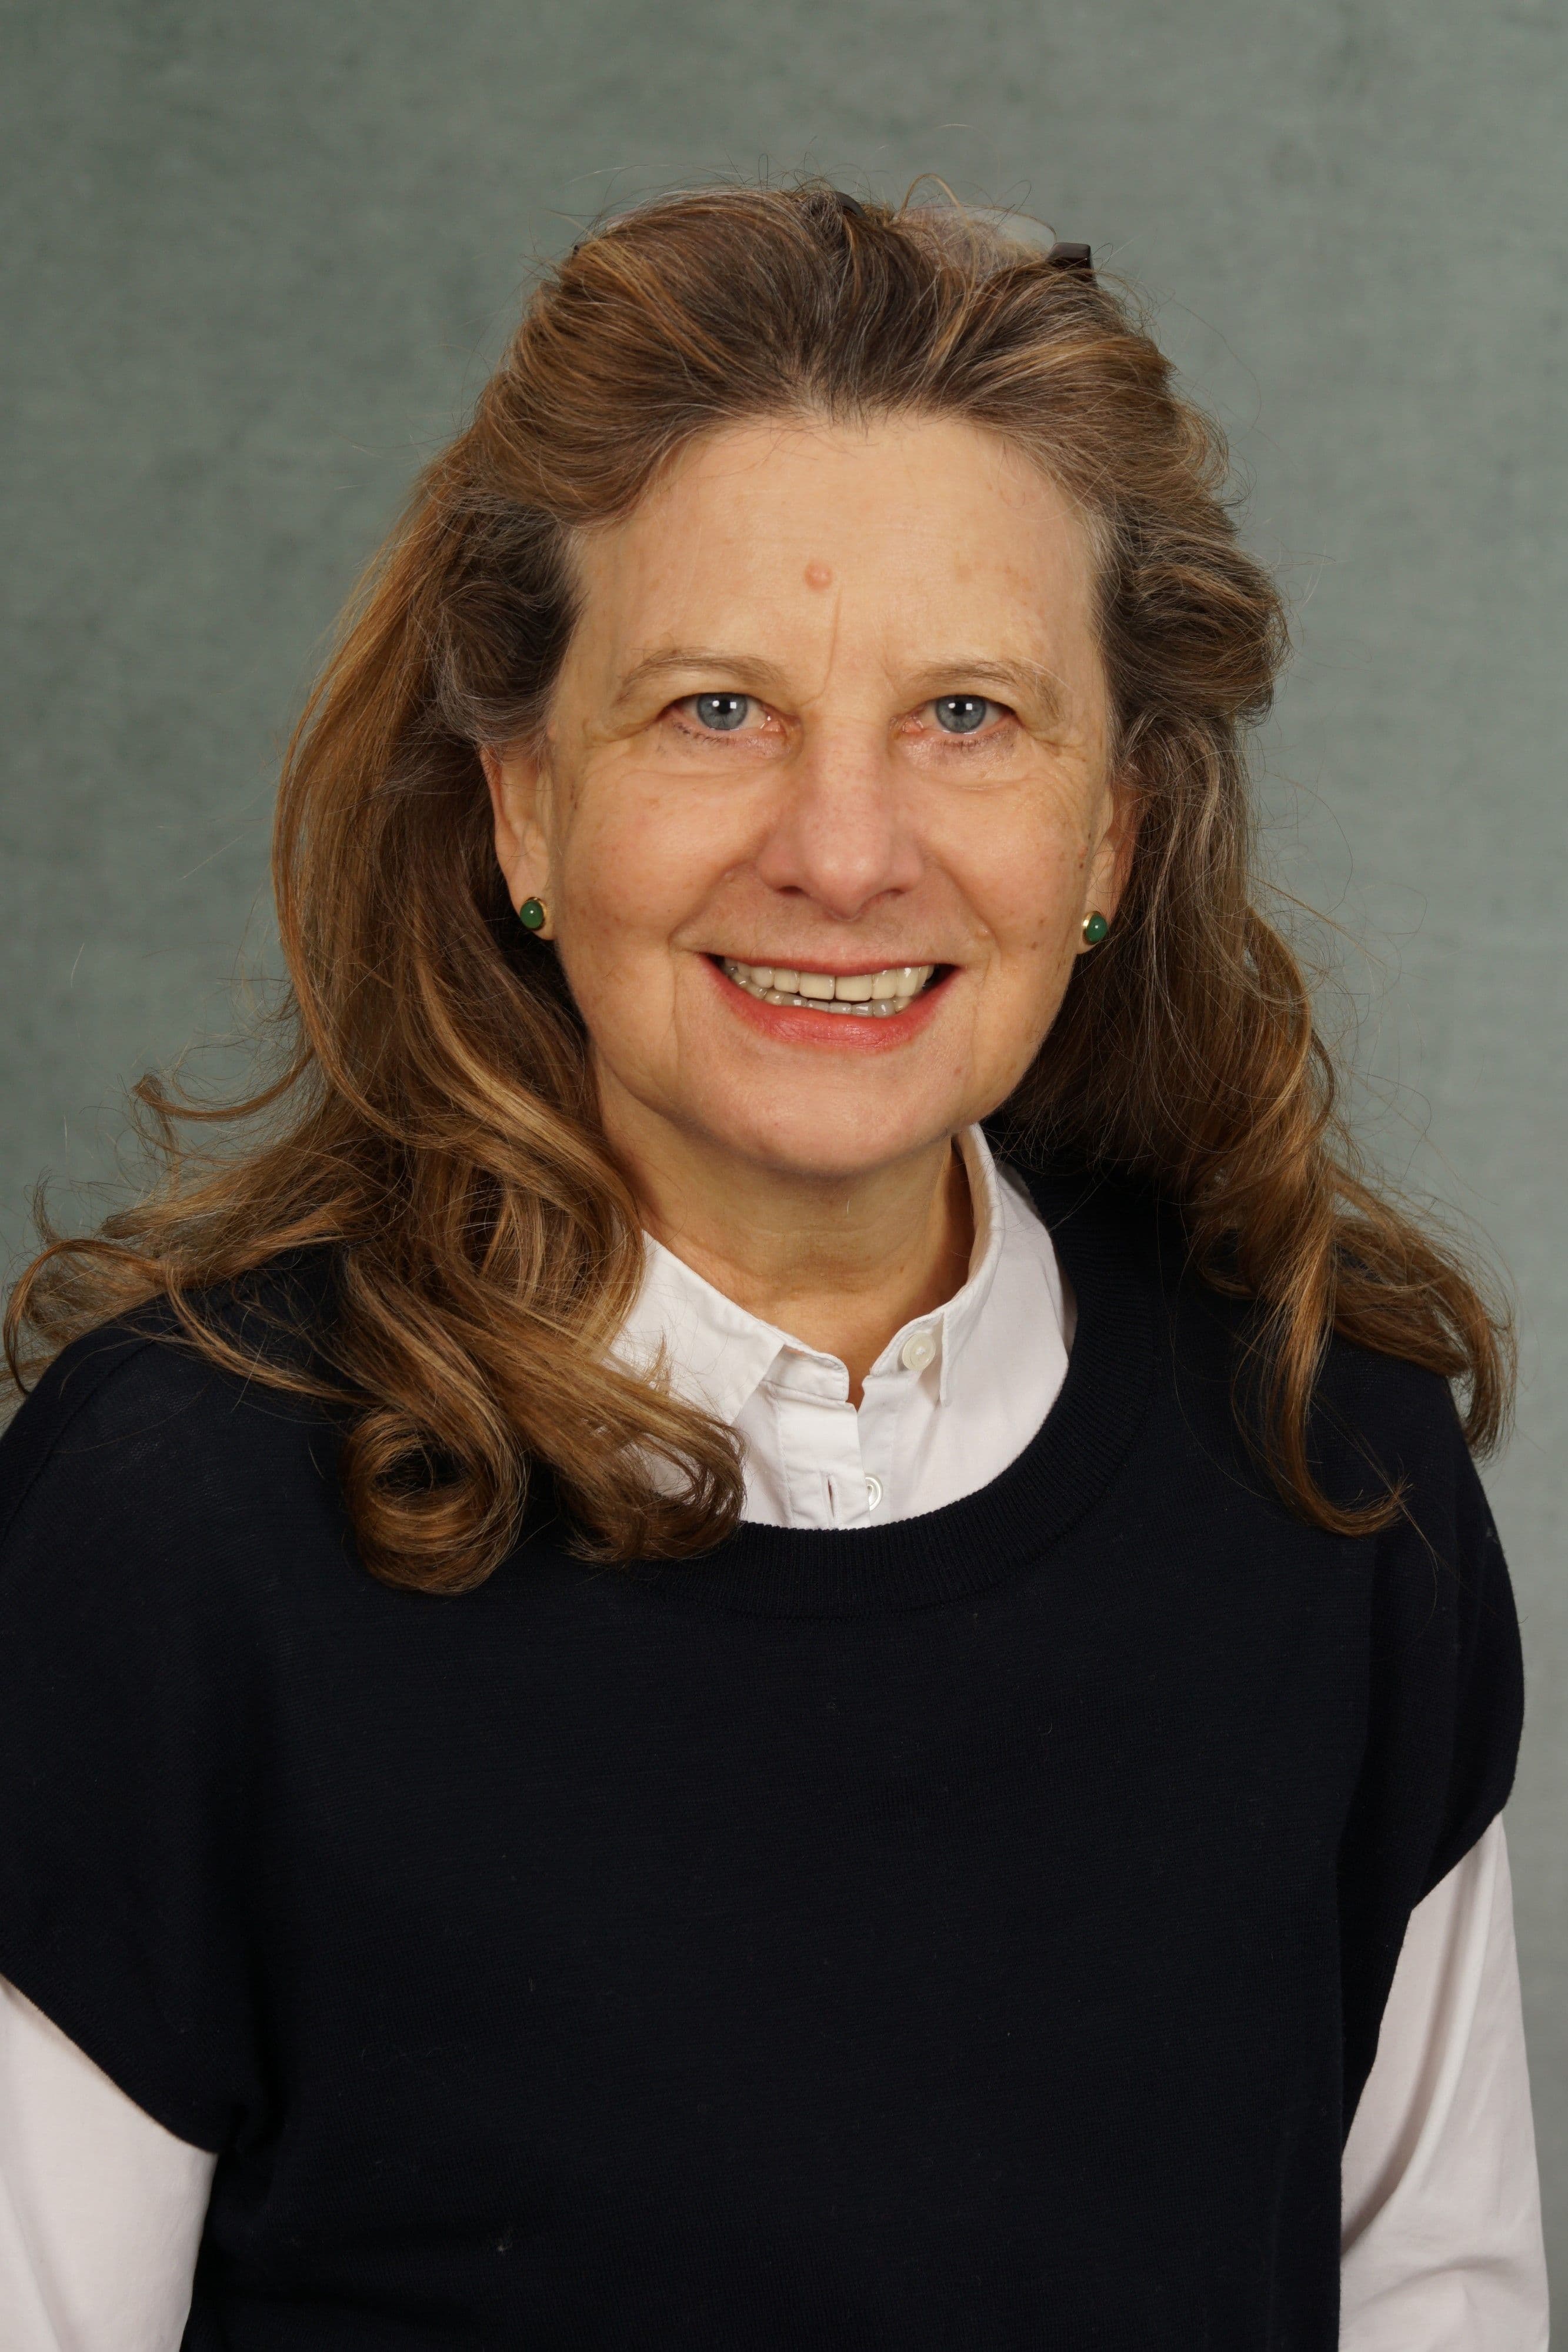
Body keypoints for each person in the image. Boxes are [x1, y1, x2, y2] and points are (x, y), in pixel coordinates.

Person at [0, 184, 1547, 2350]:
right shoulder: (175, 1527)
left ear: (1111, 831)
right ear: (523, 806)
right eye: (716, 709)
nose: (842, 852)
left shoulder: (1331, 1478)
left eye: (967, 715)